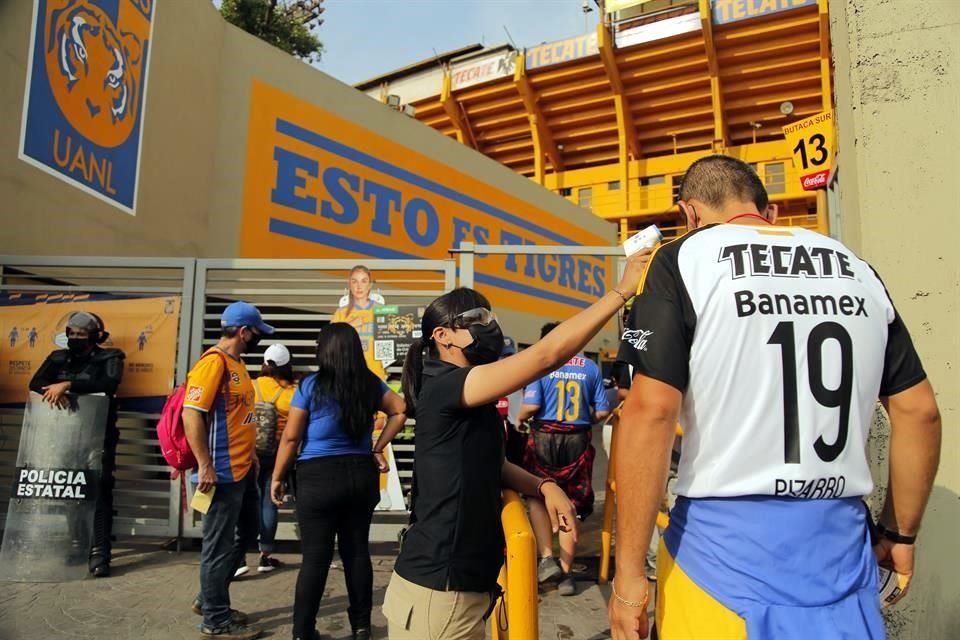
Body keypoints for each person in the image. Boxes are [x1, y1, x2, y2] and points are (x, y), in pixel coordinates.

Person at [608, 155, 942, 640]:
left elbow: (651, 411)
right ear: (770, 214)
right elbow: (919, 411)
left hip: (721, 554)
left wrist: (629, 578)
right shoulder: (854, 267)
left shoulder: (685, 257)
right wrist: (900, 534)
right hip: (841, 552)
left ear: (691, 215)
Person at [383, 249, 650, 640]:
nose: (487, 326)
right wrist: (621, 291)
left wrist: (543, 485)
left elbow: (487, 462)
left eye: (489, 317)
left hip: (460, 587)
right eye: (474, 320)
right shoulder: (445, 387)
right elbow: (546, 356)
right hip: (438, 593)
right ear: (442, 336)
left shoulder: (469, 391)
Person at [270, 323, 407, 640]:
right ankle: (361, 628)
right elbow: (400, 410)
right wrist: (376, 447)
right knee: (357, 550)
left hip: (318, 476)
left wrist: (277, 477)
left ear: (325, 350)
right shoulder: (369, 384)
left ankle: (303, 631)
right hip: (360, 474)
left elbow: (291, 438)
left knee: (315, 558)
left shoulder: (311, 385)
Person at [182, 301, 274, 640]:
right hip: (218, 473)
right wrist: (204, 464)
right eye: (257, 333)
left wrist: (252, 456)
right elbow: (191, 414)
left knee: (246, 533)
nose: (258, 340)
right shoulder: (213, 364)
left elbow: (237, 418)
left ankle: (210, 598)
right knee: (217, 546)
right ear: (243, 331)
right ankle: (216, 620)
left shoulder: (238, 365)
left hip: (242, 469)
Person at [517, 321, 611, 596]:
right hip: (577, 440)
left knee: (536, 494)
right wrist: (584, 422)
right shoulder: (590, 367)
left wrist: (521, 418)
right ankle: (567, 575)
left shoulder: (541, 363)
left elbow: (532, 405)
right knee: (572, 503)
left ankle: (547, 558)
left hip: (544, 436)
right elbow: (603, 411)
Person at [29, 311, 124, 577]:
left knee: (99, 493)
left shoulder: (111, 357)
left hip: (97, 436)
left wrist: (68, 384)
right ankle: (77, 544)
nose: (75, 337)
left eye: (81, 334)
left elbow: (108, 382)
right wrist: (57, 388)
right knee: (72, 493)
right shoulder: (58, 357)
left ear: (95, 336)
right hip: (64, 435)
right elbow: (36, 382)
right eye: (71, 333)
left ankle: (99, 553)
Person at [245, 343, 296, 575]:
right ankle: (265, 556)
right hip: (277, 454)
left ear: (264, 363)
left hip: (248, 452)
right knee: (269, 501)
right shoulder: (291, 392)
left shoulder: (251, 385)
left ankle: (238, 557)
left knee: (243, 501)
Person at [331, 265, 386, 380]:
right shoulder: (341, 313)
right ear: (349, 285)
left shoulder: (382, 310)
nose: (359, 286)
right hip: (348, 375)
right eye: (354, 281)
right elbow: (329, 343)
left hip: (375, 375)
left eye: (364, 281)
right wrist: (349, 326)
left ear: (370, 285)